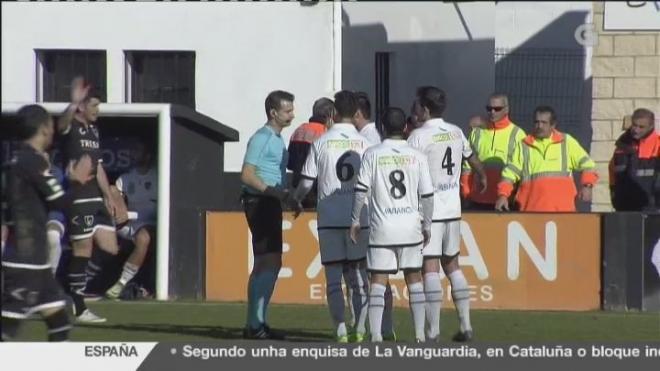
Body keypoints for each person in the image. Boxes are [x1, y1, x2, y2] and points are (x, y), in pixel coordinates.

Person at [2, 104, 94, 341]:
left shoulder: (14, 161)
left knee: (60, 325)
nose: (53, 131)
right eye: (51, 126)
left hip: (37, 264)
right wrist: (75, 182)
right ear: (44, 128)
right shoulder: (33, 162)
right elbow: (61, 203)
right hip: (26, 263)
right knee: (7, 330)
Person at [407, 86, 487, 342]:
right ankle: (466, 325)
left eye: (418, 106)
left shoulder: (418, 136)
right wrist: (482, 175)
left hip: (429, 211)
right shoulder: (455, 131)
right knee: (452, 265)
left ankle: (433, 331)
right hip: (453, 209)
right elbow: (471, 157)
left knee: (429, 269)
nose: (416, 110)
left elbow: (408, 170)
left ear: (426, 109)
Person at [291, 91, 370, 343]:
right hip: (358, 218)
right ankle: (360, 326)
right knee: (358, 277)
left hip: (330, 217)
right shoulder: (365, 144)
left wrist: (296, 198)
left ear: (333, 114)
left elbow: (306, 182)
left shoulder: (321, 142)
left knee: (334, 277)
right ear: (356, 112)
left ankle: (340, 330)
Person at [350, 107, 434, 343]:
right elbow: (427, 194)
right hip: (410, 227)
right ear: (406, 128)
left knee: (378, 279)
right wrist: (427, 224)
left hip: (382, 228)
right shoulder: (418, 156)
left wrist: (355, 219)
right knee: (414, 278)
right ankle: (419, 335)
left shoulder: (373, 154)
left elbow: (360, 190)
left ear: (382, 128)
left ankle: (376, 335)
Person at [57, 77, 119, 323]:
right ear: (82, 107)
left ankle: (71, 287)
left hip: (96, 196)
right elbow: (60, 124)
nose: (97, 111)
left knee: (110, 248)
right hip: (79, 197)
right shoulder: (70, 125)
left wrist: (108, 195)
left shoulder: (94, 130)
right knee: (83, 249)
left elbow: (99, 166)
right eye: (93, 106)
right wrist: (72, 103)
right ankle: (79, 305)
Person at [239, 90, 295, 340]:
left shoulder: (275, 138)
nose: (292, 114)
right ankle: (256, 324)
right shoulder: (261, 138)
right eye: (287, 110)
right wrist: (275, 193)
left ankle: (255, 323)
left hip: (268, 201)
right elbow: (247, 175)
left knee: (266, 261)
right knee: (269, 261)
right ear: (274, 112)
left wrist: (285, 195)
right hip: (260, 202)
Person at [495, 105, 599, 212]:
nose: (539, 126)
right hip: (531, 212)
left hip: (563, 212)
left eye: (544, 123)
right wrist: (502, 195)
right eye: (537, 122)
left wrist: (587, 186)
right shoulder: (523, 146)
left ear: (553, 125)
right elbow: (508, 175)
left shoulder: (566, 142)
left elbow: (588, 165)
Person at [105, 141, 158, 299]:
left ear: (148, 155)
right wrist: (120, 214)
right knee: (112, 189)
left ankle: (121, 283)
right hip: (126, 225)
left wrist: (130, 215)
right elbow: (114, 197)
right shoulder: (125, 178)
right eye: (132, 150)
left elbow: (156, 210)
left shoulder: (158, 177)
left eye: (138, 150)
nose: (134, 154)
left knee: (143, 237)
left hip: (149, 224)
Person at [461, 93, 526, 210]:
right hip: (478, 198)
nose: (492, 112)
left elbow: (520, 169)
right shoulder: (477, 132)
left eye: (497, 109)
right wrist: (466, 192)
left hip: (504, 200)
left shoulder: (518, 134)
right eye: (489, 109)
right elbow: (467, 165)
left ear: (507, 109)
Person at [287, 97, 334, 209]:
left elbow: (290, 164)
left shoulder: (299, 130)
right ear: (330, 116)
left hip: (299, 189)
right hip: (319, 191)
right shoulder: (327, 134)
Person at [609, 108, 659, 212]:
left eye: (641, 127)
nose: (636, 130)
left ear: (651, 126)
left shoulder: (657, 145)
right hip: (624, 208)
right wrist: (614, 193)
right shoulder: (622, 146)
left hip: (653, 209)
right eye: (634, 125)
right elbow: (612, 171)